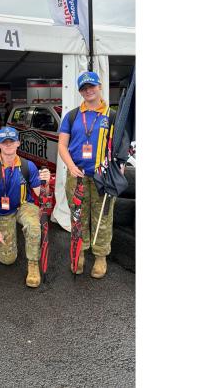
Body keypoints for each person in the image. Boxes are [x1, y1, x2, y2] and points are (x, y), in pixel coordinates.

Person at [57, 70, 128, 279]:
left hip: (102, 176)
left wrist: (119, 168)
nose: (88, 91)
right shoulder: (72, 116)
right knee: (78, 216)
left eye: (91, 86)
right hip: (77, 176)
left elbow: (122, 146)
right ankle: (79, 252)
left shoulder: (112, 116)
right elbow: (62, 145)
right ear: (80, 91)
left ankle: (100, 256)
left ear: (99, 87)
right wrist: (70, 166)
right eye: (84, 88)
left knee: (102, 217)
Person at [0, 127, 50, 287]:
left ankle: (33, 265)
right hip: (3, 212)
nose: (8, 145)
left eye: (11, 141)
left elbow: (41, 194)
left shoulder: (28, 166)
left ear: (18, 143)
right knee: (7, 260)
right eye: (4, 142)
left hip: (23, 206)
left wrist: (46, 183)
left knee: (34, 226)